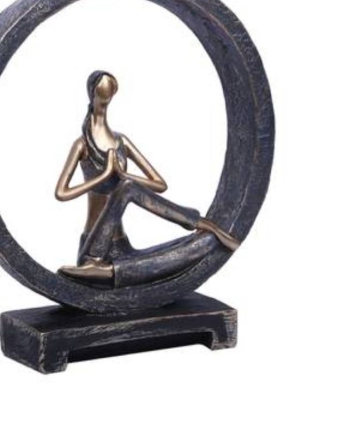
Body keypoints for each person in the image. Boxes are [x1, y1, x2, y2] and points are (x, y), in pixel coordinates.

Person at [55, 71, 239, 283]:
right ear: (92, 96)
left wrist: (122, 174)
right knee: (127, 187)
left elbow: (159, 184)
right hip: (93, 247)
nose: (104, 103)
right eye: (101, 97)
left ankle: (115, 271)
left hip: (122, 247)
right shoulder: (82, 145)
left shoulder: (121, 141)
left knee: (201, 245)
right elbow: (62, 193)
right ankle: (95, 261)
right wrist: (104, 175)